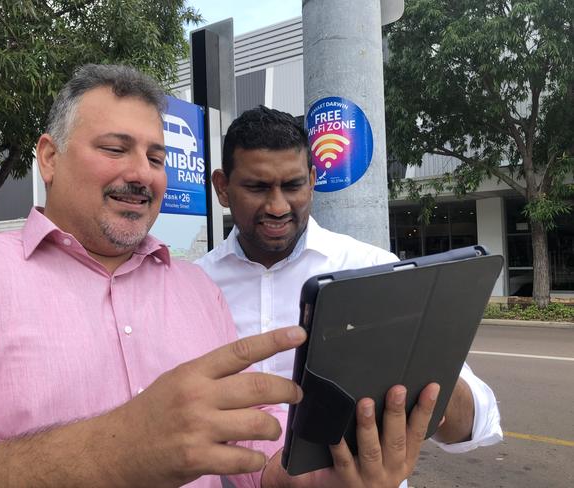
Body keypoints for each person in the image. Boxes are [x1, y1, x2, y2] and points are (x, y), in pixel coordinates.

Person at [0, 65, 440, 488]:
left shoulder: (198, 288)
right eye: (114, 148)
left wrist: (307, 478)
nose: (141, 172)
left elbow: (254, 451)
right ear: (50, 157)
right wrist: (118, 448)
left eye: (155, 156)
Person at [196, 105, 503, 486]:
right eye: (257, 188)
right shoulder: (192, 286)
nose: (277, 206)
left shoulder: (371, 268)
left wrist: (430, 388)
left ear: (311, 180)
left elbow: (478, 423)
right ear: (223, 187)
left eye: (292, 186)